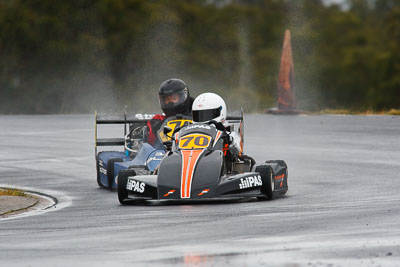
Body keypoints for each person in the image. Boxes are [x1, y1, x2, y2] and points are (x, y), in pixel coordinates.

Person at [191, 92, 242, 158]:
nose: (203, 119)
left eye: (207, 114)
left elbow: (238, 151)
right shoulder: (191, 132)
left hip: (220, 163)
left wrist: (227, 137)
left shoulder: (228, 132)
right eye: (198, 115)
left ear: (220, 111)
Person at [146, 78, 193, 147]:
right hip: (164, 154)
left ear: (184, 96)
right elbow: (147, 147)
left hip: (195, 151)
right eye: (167, 100)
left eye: (174, 98)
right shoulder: (157, 122)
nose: (170, 103)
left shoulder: (198, 116)